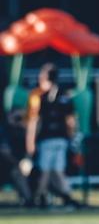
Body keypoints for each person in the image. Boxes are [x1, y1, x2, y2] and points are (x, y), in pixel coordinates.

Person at [24, 63, 81, 209]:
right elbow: (71, 122)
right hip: (61, 140)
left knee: (45, 170)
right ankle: (64, 196)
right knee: (55, 170)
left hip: (46, 140)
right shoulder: (65, 95)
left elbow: (34, 121)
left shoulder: (38, 96)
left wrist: (30, 141)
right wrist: (72, 139)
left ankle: (40, 198)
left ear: (43, 77)